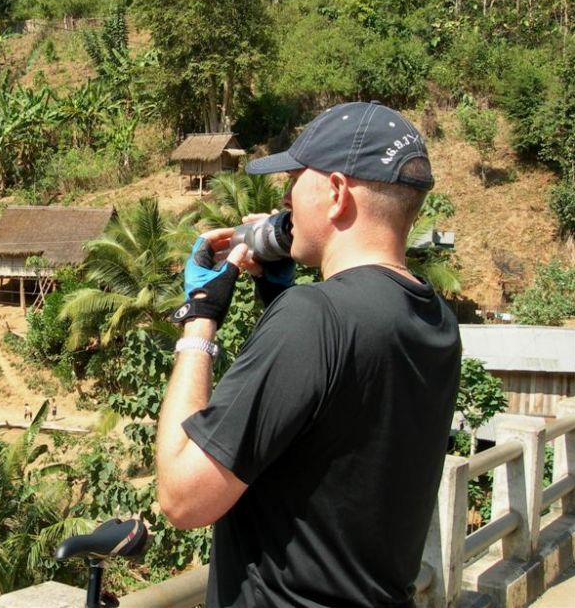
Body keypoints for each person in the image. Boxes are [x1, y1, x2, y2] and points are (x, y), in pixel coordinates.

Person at [156, 102, 462, 608]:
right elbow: (339, 435)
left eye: (296, 179)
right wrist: (279, 295)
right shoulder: (436, 321)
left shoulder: (315, 318)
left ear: (337, 193)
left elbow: (182, 498)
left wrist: (200, 317)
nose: (283, 197)